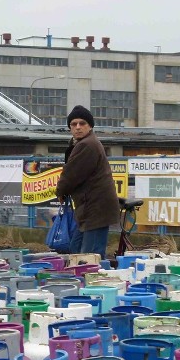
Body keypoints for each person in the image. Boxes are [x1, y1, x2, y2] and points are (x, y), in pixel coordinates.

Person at [55, 105, 118, 259]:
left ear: (90, 126)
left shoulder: (87, 145)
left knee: (90, 257)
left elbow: (71, 174)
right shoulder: (83, 143)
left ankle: (91, 280)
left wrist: (60, 191)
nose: (77, 127)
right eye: (73, 124)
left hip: (95, 208)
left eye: (82, 123)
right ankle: (81, 279)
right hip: (90, 207)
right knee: (76, 249)